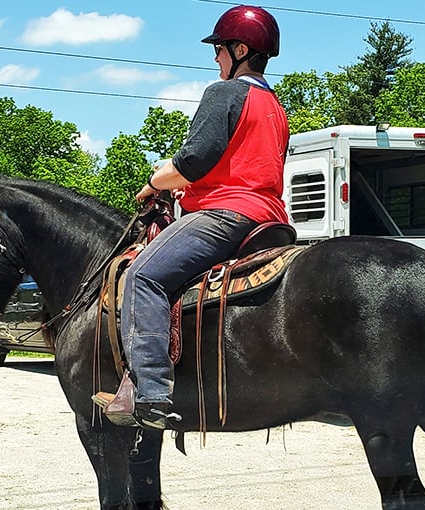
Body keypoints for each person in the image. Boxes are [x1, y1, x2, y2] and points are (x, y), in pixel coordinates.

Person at [100, 5, 290, 430]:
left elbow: (192, 161)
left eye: (220, 49)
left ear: (241, 50)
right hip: (270, 217)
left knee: (143, 277)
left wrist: (155, 182)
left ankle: (150, 394)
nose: (216, 58)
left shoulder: (223, 93)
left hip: (227, 214)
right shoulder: (275, 108)